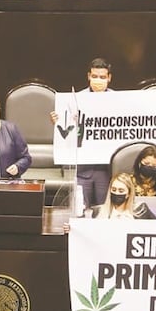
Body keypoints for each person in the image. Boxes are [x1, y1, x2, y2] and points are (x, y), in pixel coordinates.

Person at [88, 172, 156, 311]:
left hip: (132, 277)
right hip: (106, 277)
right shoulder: (99, 212)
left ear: (129, 193)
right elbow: (85, 234)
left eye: (121, 191)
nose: (117, 194)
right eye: (114, 191)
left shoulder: (141, 212)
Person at [51, 58, 114, 208]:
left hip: (106, 169)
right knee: (79, 209)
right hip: (82, 168)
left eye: (103, 77)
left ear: (109, 78)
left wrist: (154, 117)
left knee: (103, 211)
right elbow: (66, 132)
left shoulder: (119, 100)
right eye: (95, 76)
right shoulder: (75, 100)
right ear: (88, 76)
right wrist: (59, 121)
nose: (98, 80)